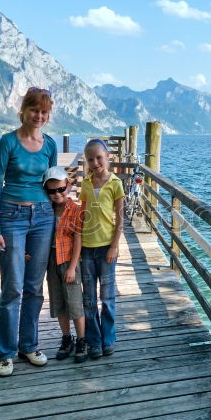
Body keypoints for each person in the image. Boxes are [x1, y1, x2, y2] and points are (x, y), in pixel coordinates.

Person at [0, 87, 58, 377]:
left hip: (42, 217)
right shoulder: (7, 142)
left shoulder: (50, 145)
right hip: (11, 216)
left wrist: (63, 220)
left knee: (33, 287)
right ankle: (5, 352)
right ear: (23, 111)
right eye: (34, 110)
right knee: (12, 286)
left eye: (44, 112)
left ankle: (28, 345)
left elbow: (54, 186)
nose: (39, 116)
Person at [79, 138, 125, 359]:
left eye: (98, 157)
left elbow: (120, 219)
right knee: (89, 298)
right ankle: (94, 340)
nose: (95, 162)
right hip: (87, 248)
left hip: (106, 246)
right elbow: (83, 215)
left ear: (108, 157)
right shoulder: (86, 184)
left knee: (107, 298)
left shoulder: (116, 183)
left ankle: (108, 339)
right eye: (90, 159)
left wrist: (114, 246)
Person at [41, 166, 88, 363]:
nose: (57, 194)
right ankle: (66, 338)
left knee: (75, 301)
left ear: (68, 186)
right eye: (52, 191)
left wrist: (72, 267)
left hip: (69, 260)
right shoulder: (45, 210)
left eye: (61, 189)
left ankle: (81, 339)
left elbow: (78, 239)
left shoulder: (75, 210)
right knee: (58, 302)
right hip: (51, 260)